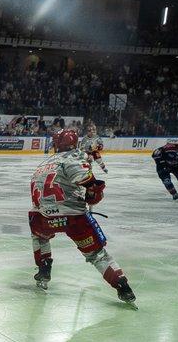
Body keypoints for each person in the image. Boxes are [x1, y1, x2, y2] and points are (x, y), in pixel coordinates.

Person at [29, 128, 135, 303]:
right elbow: (90, 187)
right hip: (73, 218)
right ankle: (122, 286)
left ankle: (44, 269)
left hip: (43, 217)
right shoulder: (74, 157)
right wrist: (94, 193)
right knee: (97, 255)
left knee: (39, 237)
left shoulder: (43, 164)